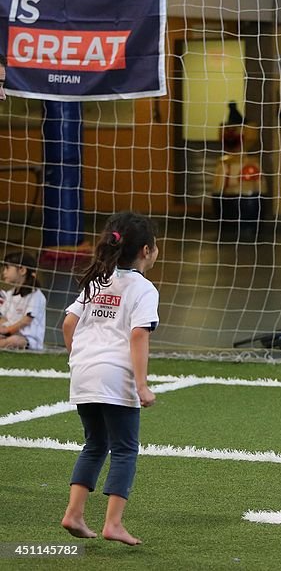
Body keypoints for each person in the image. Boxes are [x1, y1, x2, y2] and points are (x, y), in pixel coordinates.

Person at [60, 212, 160, 546]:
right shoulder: (143, 289)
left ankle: (74, 514)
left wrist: (78, 358)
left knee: (95, 444)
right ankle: (113, 523)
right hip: (116, 377)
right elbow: (138, 336)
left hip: (84, 374)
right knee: (125, 449)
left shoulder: (96, 280)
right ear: (146, 251)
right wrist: (142, 384)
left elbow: (68, 325)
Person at [0, 252, 46, 349]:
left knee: (14, 341)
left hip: (28, 340)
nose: (4, 272)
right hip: (8, 334)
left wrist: (7, 331)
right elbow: (4, 318)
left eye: (7, 268)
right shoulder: (9, 294)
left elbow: (26, 321)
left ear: (22, 270)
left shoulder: (35, 295)